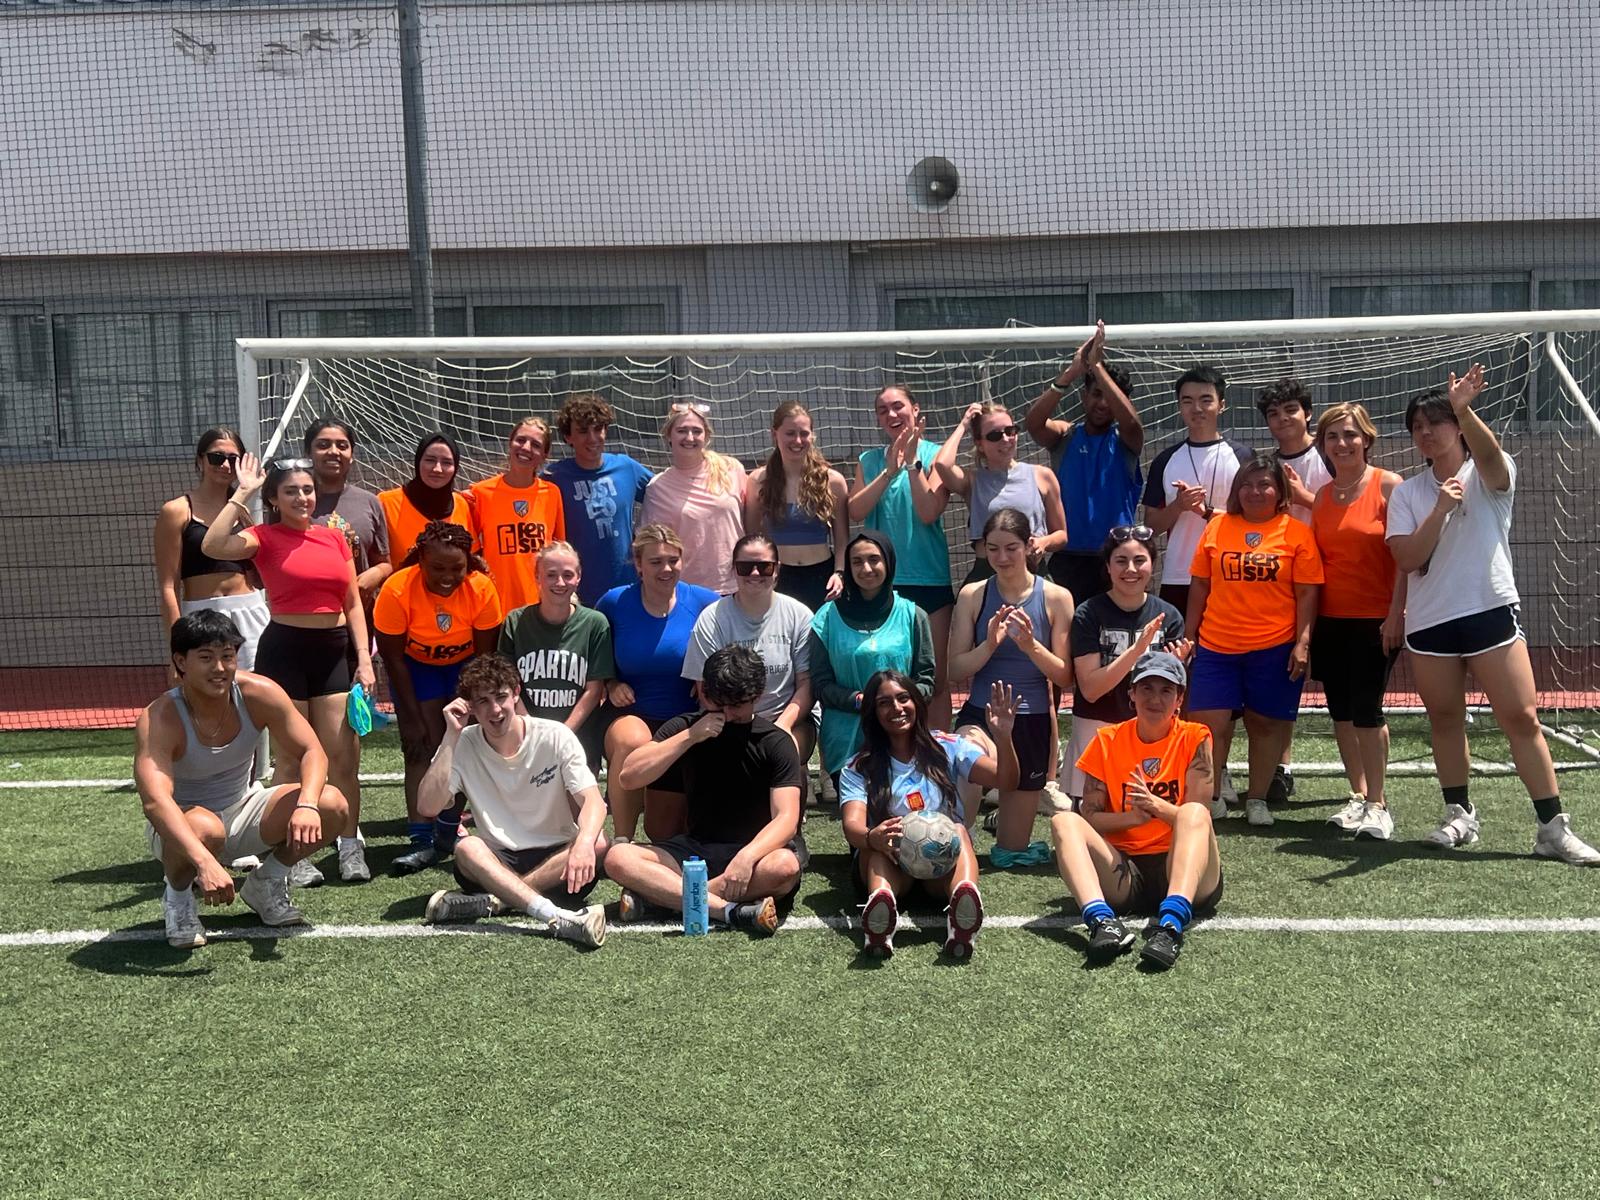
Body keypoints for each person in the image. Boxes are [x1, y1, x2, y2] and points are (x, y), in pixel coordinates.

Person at [1386, 364, 1598, 863]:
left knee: (1521, 717)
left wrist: (1463, 407)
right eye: (1417, 426)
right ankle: (1459, 815)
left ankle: (1552, 827)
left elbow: (1492, 459)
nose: (1425, 433)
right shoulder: (1408, 493)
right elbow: (1407, 559)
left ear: (1457, 427)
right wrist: (1438, 509)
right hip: (1430, 622)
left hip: (1489, 610)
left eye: (1435, 422)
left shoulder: (1489, 473)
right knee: (1444, 718)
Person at [201, 453, 376, 883]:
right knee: (292, 760)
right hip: (285, 651)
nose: (302, 497)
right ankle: (294, 856)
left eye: (308, 489)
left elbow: (352, 600)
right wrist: (243, 491)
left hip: (334, 652)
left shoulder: (335, 537)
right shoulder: (262, 536)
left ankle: (350, 846)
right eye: (291, 491)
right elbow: (212, 544)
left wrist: (365, 660)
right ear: (275, 499)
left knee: (343, 759)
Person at [136, 609, 351, 947]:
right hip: (183, 825)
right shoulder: (160, 717)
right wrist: (205, 862)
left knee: (333, 804)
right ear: (181, 661)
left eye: (227, 656)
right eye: (206, 658)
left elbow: (313, 751)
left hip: (243, 808)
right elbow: (155, 802)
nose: (219, 668)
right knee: (205, 827)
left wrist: (307, 804)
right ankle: (177, 900)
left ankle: (266, 883)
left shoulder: (258, 693)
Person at [605, 646, 807, 935]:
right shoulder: (686, 727)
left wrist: (747, 857)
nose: (725, 713)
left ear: (758, 695)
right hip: (695, 851)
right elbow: (629, 776)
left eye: (736, 705)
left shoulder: (775, 741)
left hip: (755, 853)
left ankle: (664, 900)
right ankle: (727, 910)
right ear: (703, 691)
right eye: (716, 701)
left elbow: (786, 819)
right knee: (618, 857)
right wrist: (690, 737)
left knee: (784, 867)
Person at [416, 654, 609, 946]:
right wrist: (450, 736)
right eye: (482, 701)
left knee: (598, 841)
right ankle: (556, 917)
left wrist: (583, 843)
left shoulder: (555, 735)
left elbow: (593, 802)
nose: (495, 710)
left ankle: (498, 902)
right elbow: (427, 807)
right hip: (496, 861)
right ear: (469, 706)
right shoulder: (463, 742)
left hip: (558, 863)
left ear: (516, 693)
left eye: (501, 697)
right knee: (468, 847)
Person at [1049, 652, 1221, 970]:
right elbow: (1091, 816)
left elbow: (1199, 817)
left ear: (1179, 699)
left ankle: (1169, 927)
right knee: (1064, 821)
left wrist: (1155, 806)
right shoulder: (1106, 741)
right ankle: (1102, 923)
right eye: (1146, 688)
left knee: (1194, 813)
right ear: (1132, 694)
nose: (1155, 699)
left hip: (1183, 867)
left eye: (1166, 690)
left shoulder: (1195, 738)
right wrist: (1133, 817)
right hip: (1127, 872)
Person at [1184, 453, 1323, 827]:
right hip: (1216, 645)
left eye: (1264, 484)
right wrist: (1189, 635)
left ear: (1279, 491)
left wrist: (1302, 642)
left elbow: (1308, 594)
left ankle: (1257, 799)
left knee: (1265, 725)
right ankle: (1212, 795)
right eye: (1246, 484)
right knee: (1210, 725)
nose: (1255, 491)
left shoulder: (1296, 532)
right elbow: (1199, 584)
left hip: (1274, 646)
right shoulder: (1216, 527)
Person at [841, 673, 1019, 959]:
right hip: (891, 867)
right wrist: (872, 837)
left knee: (959, 831)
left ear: (917, 703)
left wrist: (1003, 737)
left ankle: (964, 907)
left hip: (939, 869)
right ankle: (881, 915)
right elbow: (852, 825)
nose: (896, 708)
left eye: (903, 698)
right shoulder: (859, 766)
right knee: (874, 845)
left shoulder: (947, 747)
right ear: (873, 713)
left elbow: (1006, 780)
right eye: (884, 703)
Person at [374, 521, 504, 874]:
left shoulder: (481, 588)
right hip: (416, 667)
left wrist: (471, 707)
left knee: (463, 743)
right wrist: (411, 717)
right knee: (420, 744)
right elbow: (393, 658)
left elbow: (483, 658)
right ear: (420, 563)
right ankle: (420, 834)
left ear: (468, 564)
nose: (447, 576)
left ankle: (450, 827)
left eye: (456, 568)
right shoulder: (398, 589)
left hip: (464, 667)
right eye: (438, 568)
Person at [948, 507, 1074, 865]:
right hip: (982, 717)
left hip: (1030, 723)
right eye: (993, 549)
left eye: (1011, 548)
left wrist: (1030, 646)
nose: (1001, 558)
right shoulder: (973, 595)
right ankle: (960, 831)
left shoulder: (1056, 597)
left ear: (1030, 546)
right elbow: (954, 669)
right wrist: (989, 645)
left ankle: (1001, 818)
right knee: (965, 750)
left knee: (1009, 853)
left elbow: (1065, 677)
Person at [1310, 403, 1406, 840]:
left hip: (1376, 620)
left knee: (1368, 712)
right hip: (1332, 621)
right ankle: (1357, 795)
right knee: (1342, 714)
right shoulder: (1323, 497)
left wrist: (1395, 615)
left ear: (1366, 438)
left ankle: (1379, 804)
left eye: (1350, 435)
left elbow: (1404, 560)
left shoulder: (1389, 485)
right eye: (1333, 436)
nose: (1342, 443)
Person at [596, 525, 719, 843]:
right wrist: (610, 682)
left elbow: (727, 649)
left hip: (685, 719)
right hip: (631, 712)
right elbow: (594, 650)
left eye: (672, 560)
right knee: (632, 741)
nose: (666, 568)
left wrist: (708, 678)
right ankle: (622, 840)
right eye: (655, 562)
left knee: (663, 832)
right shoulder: (614, 602)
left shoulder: (704, 601)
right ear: (638, 564)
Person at [849, 384, 958, 727]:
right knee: (887, 679)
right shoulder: (869, 460)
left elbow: (928, 512)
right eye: (883, 410)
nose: (892, 415)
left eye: (898, 406)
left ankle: (938, 761)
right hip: (882, 584)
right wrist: (889, 470)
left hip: (929, 581)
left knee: (935, 681)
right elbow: (855, 510)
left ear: (915, 409)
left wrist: (911, 464)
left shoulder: (936, 455)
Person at [1024, 321, 1145, 605]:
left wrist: (1098, 367)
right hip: (1067, 559)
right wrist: (1073, 371)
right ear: (1084, 396)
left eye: (1111, 397)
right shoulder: (1065, 436)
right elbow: (1033, 424)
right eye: (1096, 394)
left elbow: (1131, 422)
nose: (1103, 403)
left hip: (1115, 558)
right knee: (1063, 640)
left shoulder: (1128, 439)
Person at [1065, 527, 1188, 801]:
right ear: (1108, 567)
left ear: (1152, 565)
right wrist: (1137, 650)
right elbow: (1091, 690)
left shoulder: (1169, 616)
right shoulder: (1088, 613)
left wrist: (1176, 667)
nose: (1130, 569)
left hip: (1149, 732)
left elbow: (1169, 692)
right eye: (1121, 561)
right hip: (1097, 726)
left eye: (1139, 560)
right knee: (1091, 816)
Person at [809, 532, 936, 790]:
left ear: (888, 563)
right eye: (857, 561)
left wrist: (894, 703)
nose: (866, 568)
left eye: (874, 559)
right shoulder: (826, 618)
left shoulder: (914, 615)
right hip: (845, 742)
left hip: (901, 738)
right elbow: (820, 684)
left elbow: (926, 681)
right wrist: (860, 701)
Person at [1257, 377, 1334, 803]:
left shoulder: (1331, 455)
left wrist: (1304, 496)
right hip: (1284, 581)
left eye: (1291, 410)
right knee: (1285, 674)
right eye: (1273, 413)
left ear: (1307, 412)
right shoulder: (1266, 466)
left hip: (1334, 578)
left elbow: (1345, 505)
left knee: (1343, 683)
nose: (1283, 419)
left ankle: (1365, 786)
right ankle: (1280, 768)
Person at [682, 533, 816, 766]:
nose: (755, 573)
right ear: (734, 569)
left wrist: (781, 727)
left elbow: (806, 683)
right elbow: (705, 688)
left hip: (786, 718)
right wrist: (739, 723)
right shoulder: (712, 618)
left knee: (785, 758)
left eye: (764, 567)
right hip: (727, 718)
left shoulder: (800, 615)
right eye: (745, 567)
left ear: (777, 569)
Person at [154, 427, 270, 679]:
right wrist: (176, 648)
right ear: (200, 460)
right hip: (200, 615)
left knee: (256, 695)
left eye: (233, 459)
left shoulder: (242, 513)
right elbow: (168, 586)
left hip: (250, 612)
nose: (225, 465)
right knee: (204, 697)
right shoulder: (177, 510)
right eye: (216, 458)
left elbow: (258, 575)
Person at [1142, 366, 1252, 615]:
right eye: (1188, 401)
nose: (1197, 408)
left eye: (1206, 400)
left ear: (1221, 405)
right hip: (1179, 575)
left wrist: (1206, 512)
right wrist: (1179, 506)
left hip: (1231, 572)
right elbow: (1151, 528)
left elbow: (1254, 521)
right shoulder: (1165, 460)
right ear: (1180, 406)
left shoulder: (1243, 457)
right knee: (1179, 651)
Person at [498, 541, 614, 772]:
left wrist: (563, 734)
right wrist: (532, 731)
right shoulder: (515, 621)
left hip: (578, 736)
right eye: (551, 575)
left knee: (576, 805)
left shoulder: (594, 623)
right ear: (537, 577)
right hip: (525, 734)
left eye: (568, 574)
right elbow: (508, 685)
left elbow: (594, 690)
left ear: (578, 577)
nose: (560, 582)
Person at [934, 401, 1066, 583]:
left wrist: (1044, 543)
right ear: (980, 444)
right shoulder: (972, 480)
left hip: (1032, 572)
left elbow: (1061, 534)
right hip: (987, 575)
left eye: (1010, 431)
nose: (1005, 439)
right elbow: (942, 464)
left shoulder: (1042, 475)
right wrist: (964, 424)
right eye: (994, 435)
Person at [544, 391, 653, 606]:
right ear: (568, 437)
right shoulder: (554, 477)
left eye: (598, 429)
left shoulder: (626, 468)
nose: (593, 438)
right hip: (576, 591)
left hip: (626, 589)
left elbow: (669, 491)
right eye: (583, 431)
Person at [745, 401, 849, 613]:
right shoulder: (758, 480)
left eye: (804, 433)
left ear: (812, 435)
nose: (798, 440)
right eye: (790, 433)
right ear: (775, 435)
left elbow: (842, 539)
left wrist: (839, 573)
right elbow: (751, 535)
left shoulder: (833, 481)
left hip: (822, 577)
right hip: (777, 579)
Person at [640, 402, 746, 594]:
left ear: (706, 436)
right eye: (682, 430)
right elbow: (651, 544)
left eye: (696, 431)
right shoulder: (658, 488)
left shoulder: (732, 469)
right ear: (668, 435)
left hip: (735, 586)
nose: (690, 437)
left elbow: (752, 521)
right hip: (687, 590)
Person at [467, 416, 565, 611]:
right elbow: (471, 553)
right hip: (495, 604)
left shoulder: (552, 493)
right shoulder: (480, 493)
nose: (526, 448)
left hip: (540, 605)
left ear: (544, 455)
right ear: (510, 443)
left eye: (536, 445)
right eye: (520, 440)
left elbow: (559, 550)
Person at [295, 418, 392, 613]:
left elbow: (385, 563)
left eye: (342, 445)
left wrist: (376, 573)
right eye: (323, 445)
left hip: (362, 618)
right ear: (308, 453)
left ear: (352, 454)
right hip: (307, 618)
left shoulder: (370, 502)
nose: (333, 451)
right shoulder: (293, 503)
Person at [377, 432, 475, 570]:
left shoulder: (462, 504)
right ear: (418, 461)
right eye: (430, 460)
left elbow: (471, 559)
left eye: (446, 462)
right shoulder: (386, 503)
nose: (437, 469)